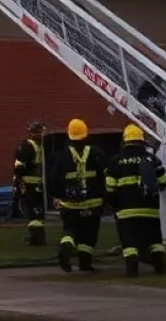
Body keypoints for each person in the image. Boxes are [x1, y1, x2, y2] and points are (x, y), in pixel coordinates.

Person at [105, 123, 166, 277]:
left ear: (125, 141)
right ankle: (160, 267)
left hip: (126, 210)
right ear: (142, 141)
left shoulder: (117, 160)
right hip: (150, 209)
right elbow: (164, 181)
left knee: (130, 242)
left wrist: (114, 204)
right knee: (155, 240)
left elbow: (110, 186)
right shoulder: (151, 159)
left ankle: (132, 270)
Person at [50, 117, 108, 273]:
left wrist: (56, 195)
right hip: (93, 202)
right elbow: (105, 174)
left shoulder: (62, 156)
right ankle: (85, 264)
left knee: (70, 229)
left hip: (70, 203)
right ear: (86, 134)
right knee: (89, 233)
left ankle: (66, 245)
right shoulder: (96, 153)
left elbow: (55, 178)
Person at [13, 121, 46, 246]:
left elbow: (19, 165)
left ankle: (35, 238)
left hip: (28, 183)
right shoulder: (43, 146)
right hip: (40, 184)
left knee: (31, 211)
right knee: (38, 211)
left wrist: (17, 180)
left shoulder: (27, 146)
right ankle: (40, 236)